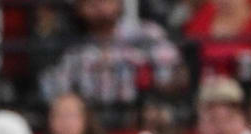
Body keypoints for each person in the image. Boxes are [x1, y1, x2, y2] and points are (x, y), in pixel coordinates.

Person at [40, 0, 182, 112]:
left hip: (138, 115)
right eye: (90, 2)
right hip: (91, 121)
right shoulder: (72, 48)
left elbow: (176, 73)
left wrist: (149, 82)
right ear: (79, 8)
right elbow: (52, 90)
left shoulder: (145, 33)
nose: (99, 5)